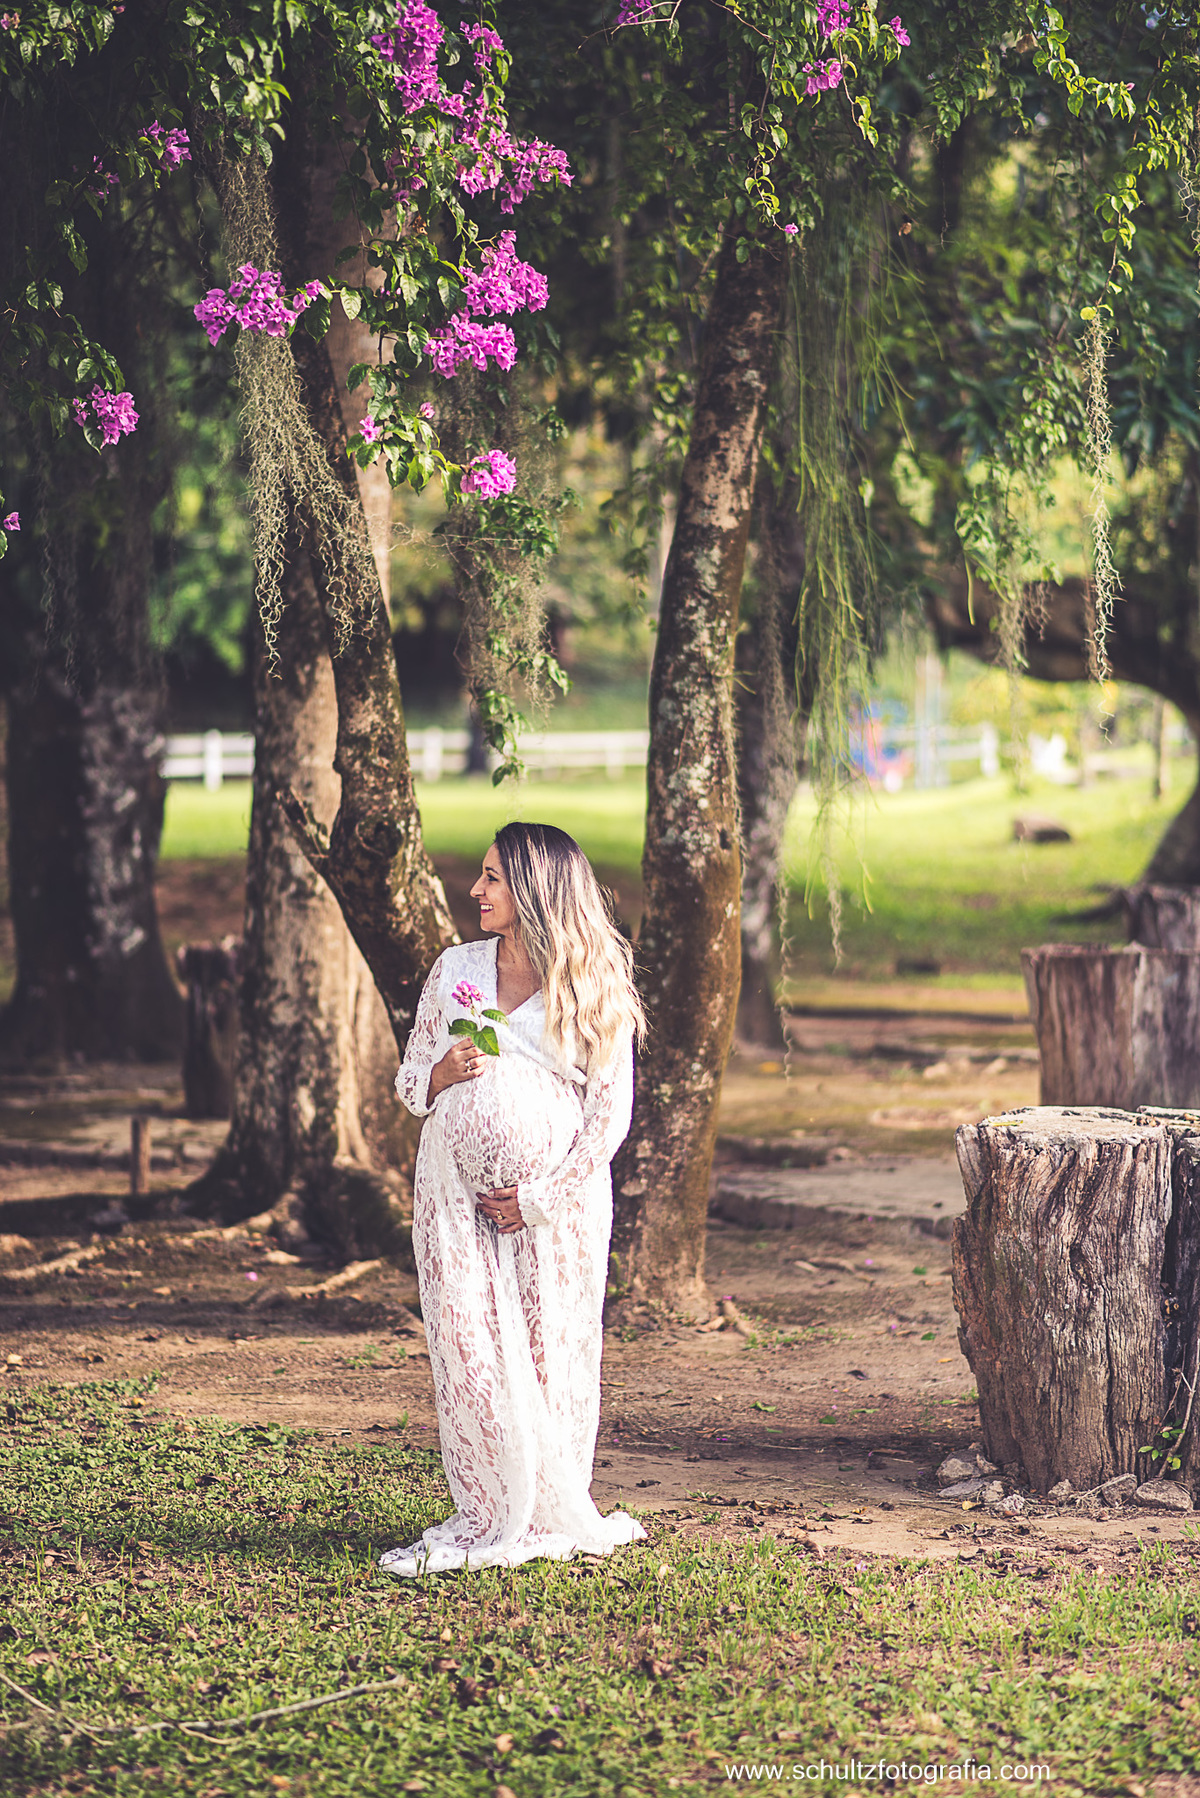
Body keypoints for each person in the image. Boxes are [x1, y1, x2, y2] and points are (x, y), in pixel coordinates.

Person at [380, 821, 647, 1576]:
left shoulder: (592, 982)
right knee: (467, 1345)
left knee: (547, 1346)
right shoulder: (455, 968)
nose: (476, 889)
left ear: (534, 888)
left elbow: (609, 1118)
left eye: (493, 877)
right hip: (452, 1197)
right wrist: (439, 1075)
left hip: (553, 1211)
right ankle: (490, 1507)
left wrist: (536, 1200)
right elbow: (410, 1082)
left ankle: (547, 1506)